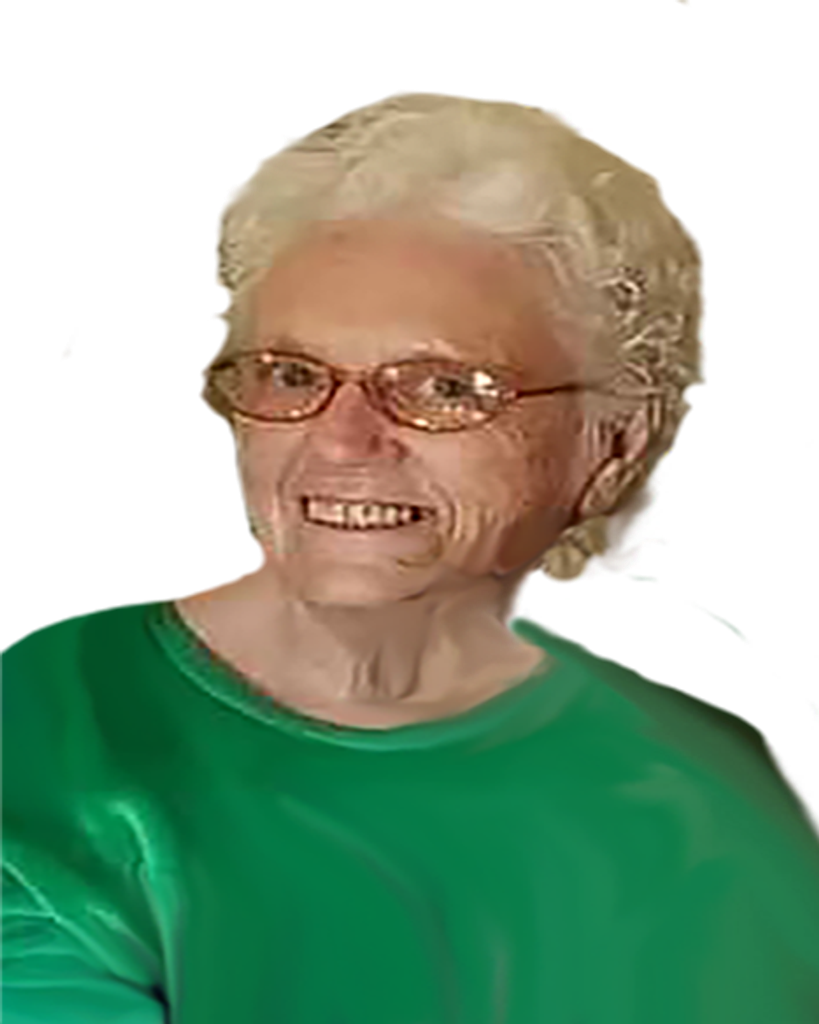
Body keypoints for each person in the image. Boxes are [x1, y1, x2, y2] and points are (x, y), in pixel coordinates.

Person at [2, 91, 817, 1023]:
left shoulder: (706, 800)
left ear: (609, 449)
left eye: (444, 388)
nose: (341, 440)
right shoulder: (50, 733)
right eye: (293, 375)